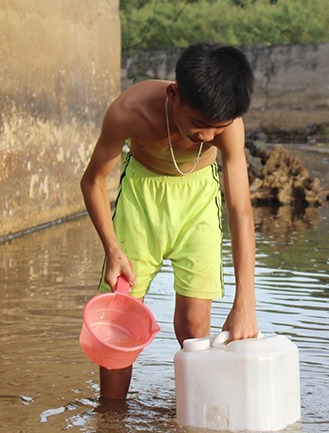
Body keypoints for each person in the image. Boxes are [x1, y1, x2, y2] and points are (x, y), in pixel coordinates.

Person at [80, 42, 259, 400]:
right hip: (140, 201)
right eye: (198, 124)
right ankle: (113, 427)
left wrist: (245, 303)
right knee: (119, 319)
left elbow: (240, 210)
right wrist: (112, 248)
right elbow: (93, 181)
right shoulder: (129, 111)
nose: (206, 136)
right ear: (174, 94)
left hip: (198, 205)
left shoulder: (228, 128)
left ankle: (195, 416)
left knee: (194, 324)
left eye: (216, 128)